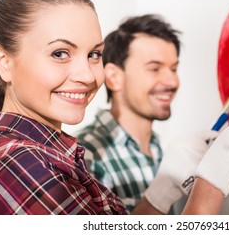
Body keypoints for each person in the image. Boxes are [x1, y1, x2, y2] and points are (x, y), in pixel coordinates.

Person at [0, 0, 229, 215]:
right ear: (4, 62)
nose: (88, 76)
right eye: (60, 53)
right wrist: (212, 182)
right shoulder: (18, 163)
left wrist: (159, 194)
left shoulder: (51, 155)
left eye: (93, 54)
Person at [76, 14, 182, 212]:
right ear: (114, 77)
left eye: (174, 69)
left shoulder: (156, 146)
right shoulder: (86, 155)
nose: (172, 82)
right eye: (155, 69)